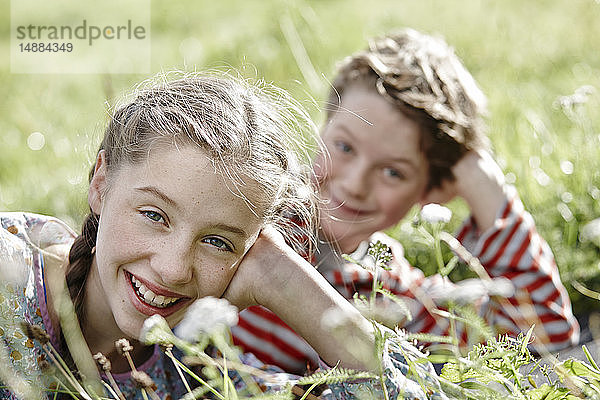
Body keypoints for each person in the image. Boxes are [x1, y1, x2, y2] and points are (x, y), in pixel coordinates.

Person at [0, 73, 447, 399]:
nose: (174, 268)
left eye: (218, 242)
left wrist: (286, 281)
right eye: (154, 215)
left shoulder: (200, 375)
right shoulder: (9, 278)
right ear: (101, 184)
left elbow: (412, 394)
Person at [232, 28, 581, 374]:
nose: (355, 184)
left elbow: (544, 342)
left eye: (393, 173)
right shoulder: (250, 209)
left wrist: (482, 182)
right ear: (323, 127)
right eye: (344, 147)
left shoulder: (391, 294)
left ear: (430, 190)